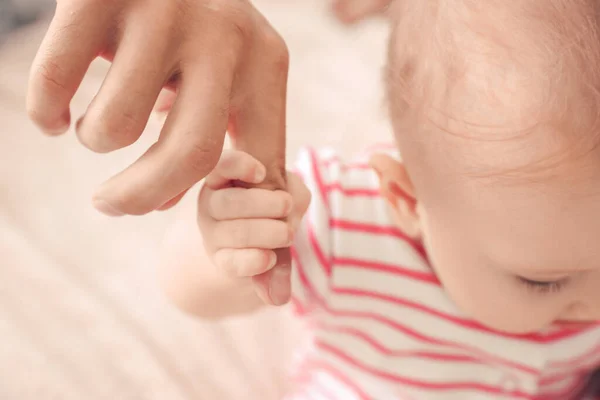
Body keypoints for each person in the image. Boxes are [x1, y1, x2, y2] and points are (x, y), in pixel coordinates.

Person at [159, 0, 600, 398]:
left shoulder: (549, 238)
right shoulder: (346, 225)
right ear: (406, 201)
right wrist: (232, 249)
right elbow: (189, 293)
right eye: (543, 281)